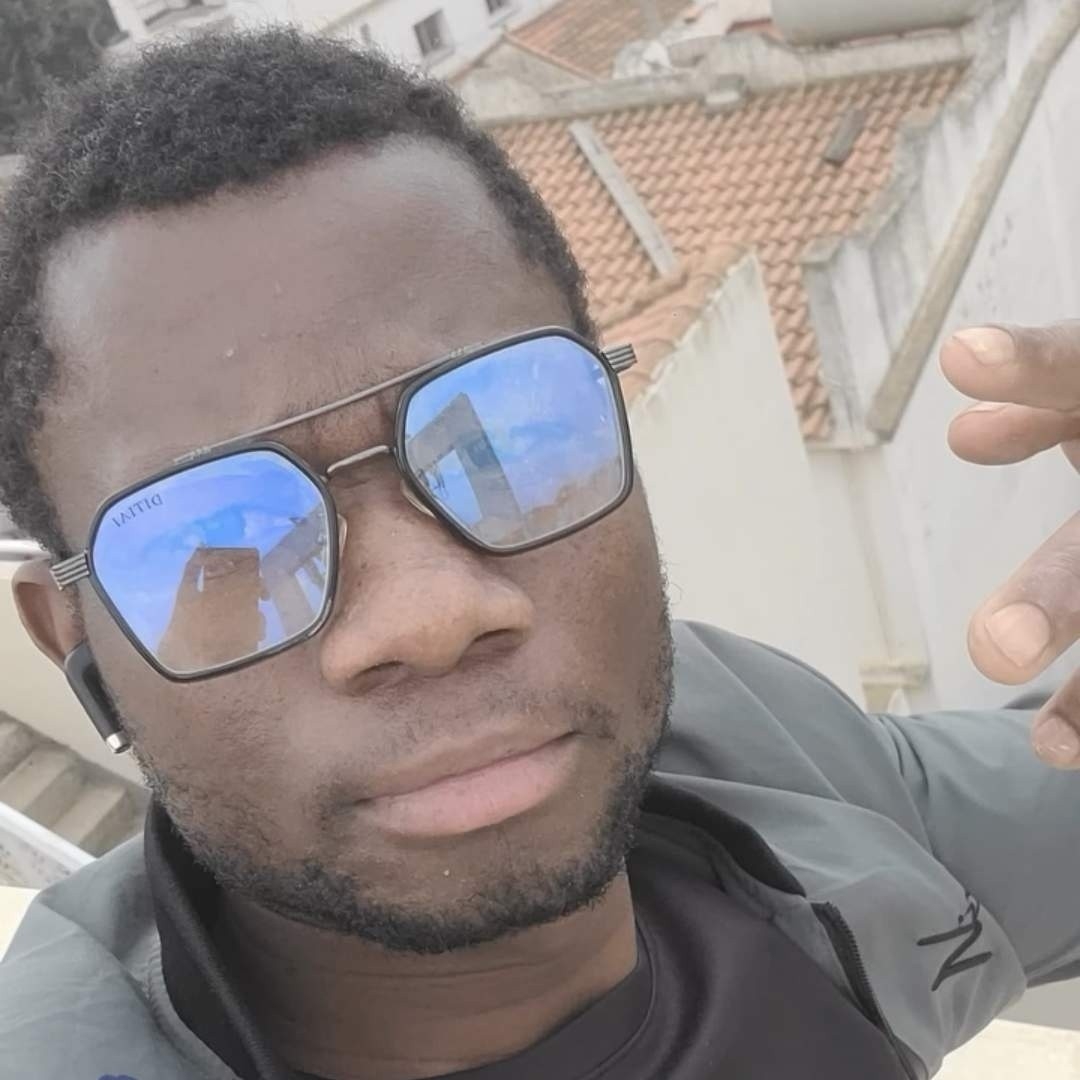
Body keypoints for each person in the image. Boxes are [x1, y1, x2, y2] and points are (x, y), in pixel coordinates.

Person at [0, 29, 1077, 1080]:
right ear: (75, 642)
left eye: (505, 436)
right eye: (216, 535)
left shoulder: (763, 756)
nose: (428, 613)